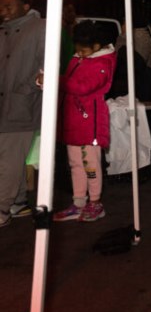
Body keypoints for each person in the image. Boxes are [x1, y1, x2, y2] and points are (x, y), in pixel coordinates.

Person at [52, 20, 117, 223]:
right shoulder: (81, 57)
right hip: (74, 119)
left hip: (90, 122)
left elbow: (82, 87)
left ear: (98, 45)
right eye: (78, 49)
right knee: (75, 163)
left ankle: (95, 202)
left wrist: (56, 79)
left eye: (84, 50)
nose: (80, 53)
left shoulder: (103, 62)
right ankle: (79, 202)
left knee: (91, 164)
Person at [0, 0, 46, 227]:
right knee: (11, 158)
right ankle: (17, 202)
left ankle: (2, 209)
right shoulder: (3, 30)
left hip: (21, 106)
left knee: (7, 160)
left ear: (26, 6)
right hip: (5, 104)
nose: (3, 11)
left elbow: (46, 66)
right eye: (1, 7)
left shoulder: (40, 27)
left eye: (9, 6)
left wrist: (31, 86)